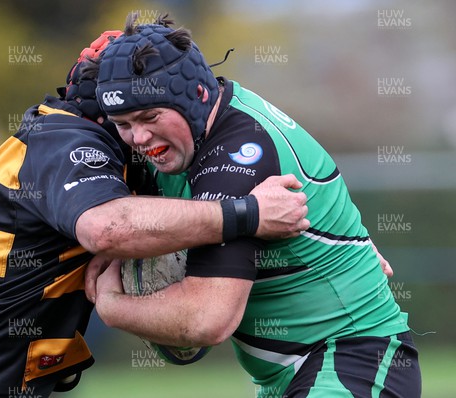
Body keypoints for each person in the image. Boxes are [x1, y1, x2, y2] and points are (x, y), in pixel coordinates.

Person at [0, 30, 309, 398]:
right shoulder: (67, 137)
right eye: (128, 120)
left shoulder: (87, 141)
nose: (140, 137)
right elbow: (107, 228)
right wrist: (246, 214)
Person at [89, 14, 421, 397]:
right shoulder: (208, 125)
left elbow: (205, 319)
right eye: (123, 123)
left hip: (351, 365)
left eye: (149, 117)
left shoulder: (238, 156)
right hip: (297, 375)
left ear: (196, 96)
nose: (140, 137)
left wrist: (112, 307)